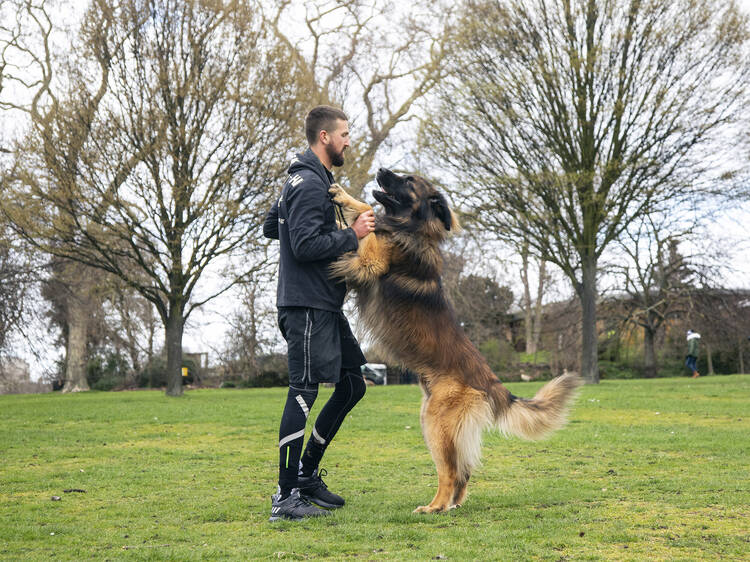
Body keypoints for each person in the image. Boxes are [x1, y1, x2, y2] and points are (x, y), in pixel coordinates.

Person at [263, 105, 376, 521]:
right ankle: (285, 496)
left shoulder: (303, 178)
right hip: (307, 306)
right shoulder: (309, 182)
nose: (349, 140)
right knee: (303, 393)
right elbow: (304, 246)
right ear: (325, 137)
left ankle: (307, 475)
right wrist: (352, 235)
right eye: (344, 134)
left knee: (352, 385)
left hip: (322, 305)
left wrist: (312, 223)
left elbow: (271, 227)